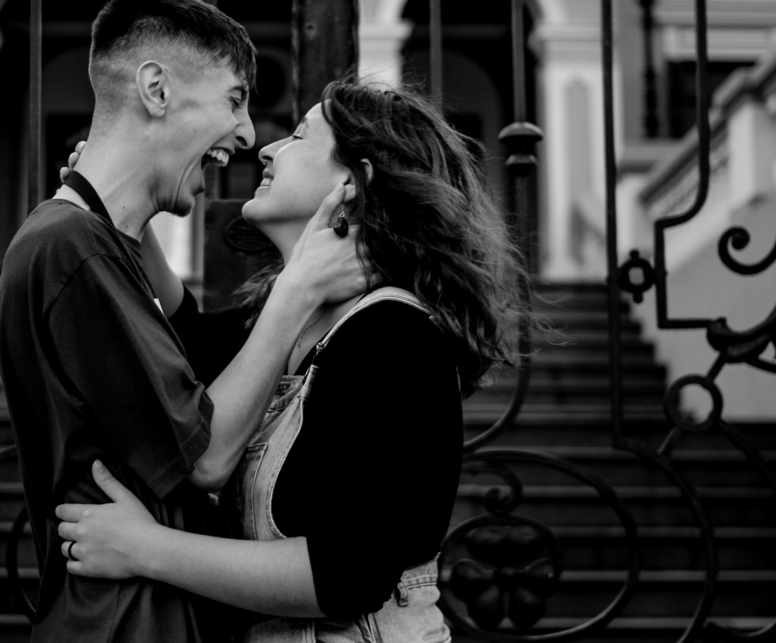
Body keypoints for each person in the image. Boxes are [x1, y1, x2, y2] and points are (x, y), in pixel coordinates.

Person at [53, 80, 527, 642]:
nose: (269, 148)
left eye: (300, 136)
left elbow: (345, 575)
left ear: (352, 183)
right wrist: (121, 202)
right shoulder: (292, 322)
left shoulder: (396, 339)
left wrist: (145, 549)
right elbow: (190, 344)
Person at [0, 0, 371, 643]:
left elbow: (189, 334)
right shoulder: (71, 247)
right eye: (234, 99)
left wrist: (127, 218)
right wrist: (295, 291)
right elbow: (206, 457)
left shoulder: (86, 240)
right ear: (157, 90)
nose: (250, 133)